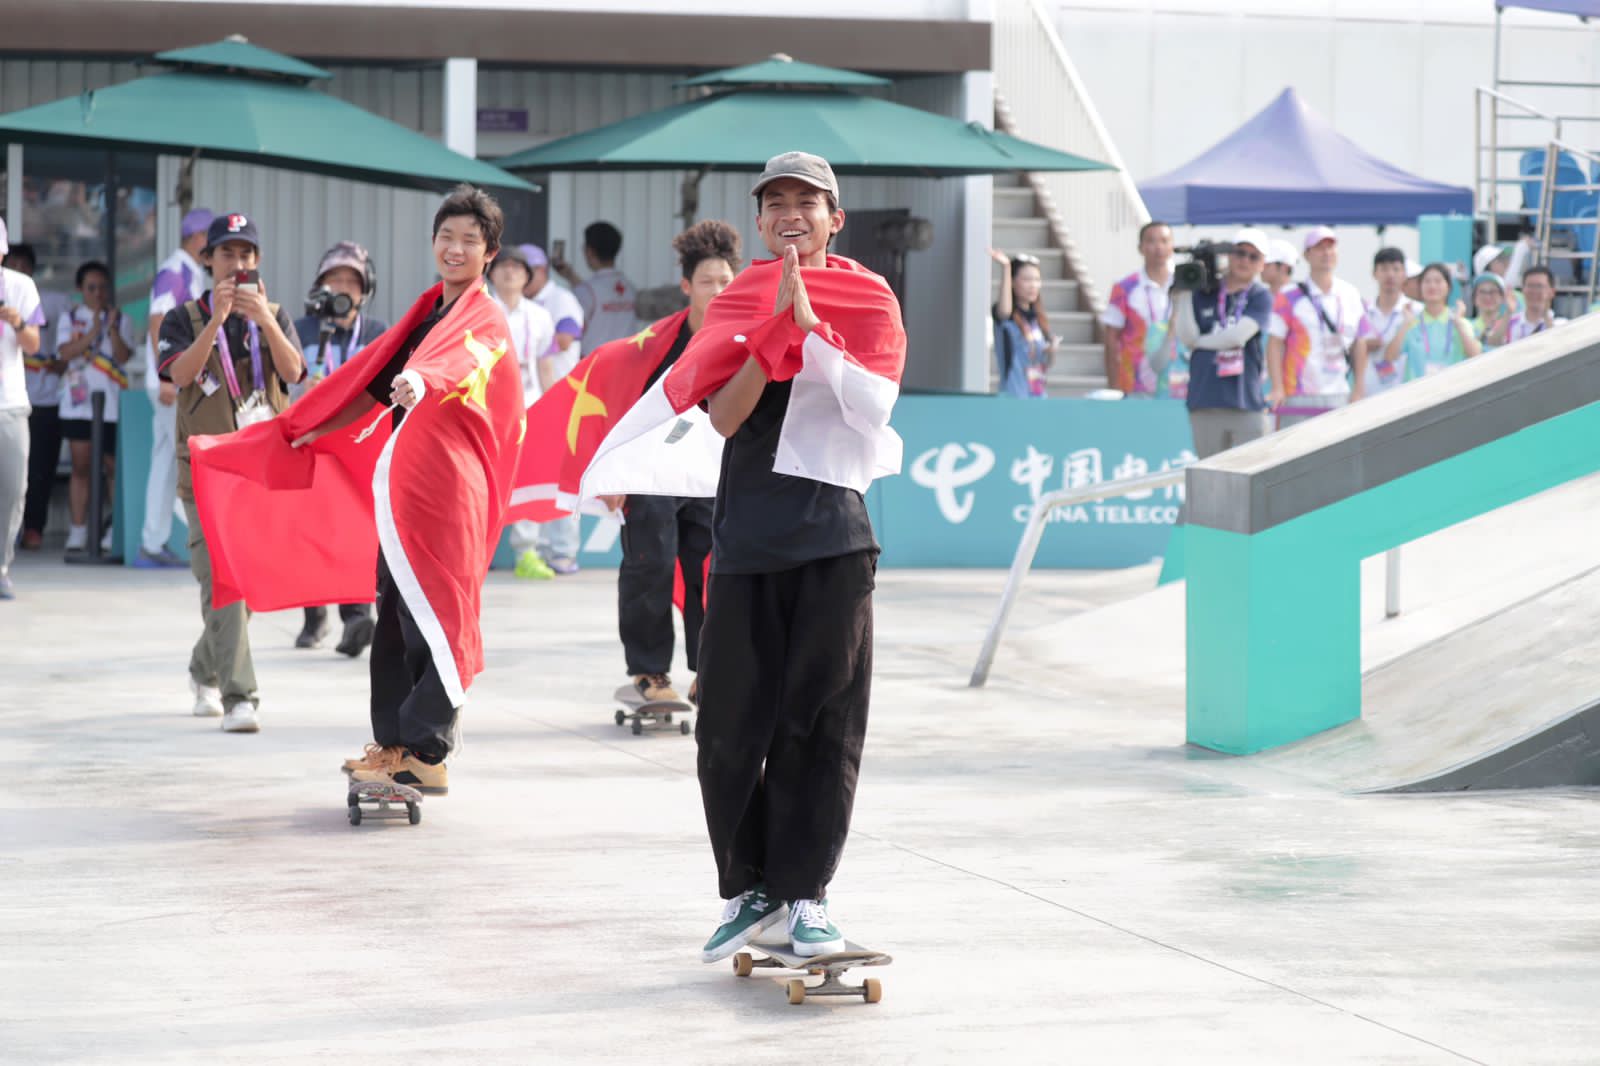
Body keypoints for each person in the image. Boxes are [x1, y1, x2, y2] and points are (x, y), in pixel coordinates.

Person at [692, 152, 905, 964]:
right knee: (725, 728)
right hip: (746, 539)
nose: (791, 214)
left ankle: (807, 894)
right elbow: (722, 418)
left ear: (834, 219)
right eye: (775, 202)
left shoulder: (869, 297)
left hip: (833, 541)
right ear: (758, 221)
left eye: (807, 203)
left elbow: (875, 409)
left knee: (821, 725)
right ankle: (750, 892)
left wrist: (813, 329)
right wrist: (770, 333)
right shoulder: (739, 299)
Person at [283, 185, 523, 796]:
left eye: (469, 240)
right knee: (394, 611)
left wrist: (422, 378)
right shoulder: (425, 317)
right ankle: (396, 745)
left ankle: (426, 749)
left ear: (489, 253)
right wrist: (306, 429)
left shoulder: (485, 317)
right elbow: (368, 388)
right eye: (447, 236)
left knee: (438, 613)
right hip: (406, 495)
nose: (455, 248)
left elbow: (460, 361)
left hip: (450, 491)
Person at [157, 212, 305, 732]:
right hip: (205, 472)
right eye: (226, 254)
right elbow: (179, 376)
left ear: (257, 261)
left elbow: (293, 372)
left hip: (262, 472)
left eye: (246, 254)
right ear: (208, 260)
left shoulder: (275, 315)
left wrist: (264, 321)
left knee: (250, 583)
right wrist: (216, 321)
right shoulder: (183, 318)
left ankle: (204, 669)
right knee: (222, 580)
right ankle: (241, 696)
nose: (236, 263)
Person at [606, 220, 739, 706]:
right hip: (653, 474)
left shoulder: (741, 340)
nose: (717, 290)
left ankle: (711, 670)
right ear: (687, 286)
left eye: (725, 280)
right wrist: (615, 472)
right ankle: (649, 672)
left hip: (711, 477)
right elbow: (622, 405)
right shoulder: (657, 345)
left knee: (715, 572)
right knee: (651, 565)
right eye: (707, 281)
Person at [291, 240, 389, 654]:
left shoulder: (378, 332)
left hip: (358, 446)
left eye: (352, 279)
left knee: (355, 531)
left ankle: (356, 619)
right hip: (311, 443)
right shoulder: (300, 329)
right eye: (335, 279)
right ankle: (314, 617)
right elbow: (282, 380)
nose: (343, 287)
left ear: (365, 288)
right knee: (310, 532)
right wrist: (303, 386)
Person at [137, 208, 212, 569]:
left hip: (175, 380)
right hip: (171, 383)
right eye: (211, 238)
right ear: (198, 238)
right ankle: (206, 540)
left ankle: (152, 543)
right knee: (189, 460)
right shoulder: (174, 272)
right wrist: (165, 376)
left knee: (167, 461)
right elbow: (157, 322)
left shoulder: (188, 272)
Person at [489, 245, 564, 581]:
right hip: (486, 406)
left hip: (529, 402)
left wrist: (552, 408)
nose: (510, 272)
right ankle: (480, 550)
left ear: (527, 277)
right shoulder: (481, 309)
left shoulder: (540, 316)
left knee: (527, 476)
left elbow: (545, 364)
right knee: (485, 478)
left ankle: (527, 553)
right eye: (503, 266)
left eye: (517, 267)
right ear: (491, 273)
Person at [55, 261, 135, 554]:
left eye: (102, 287)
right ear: (81, 289)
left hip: (111, 406)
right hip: (78, 406)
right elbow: (65, 353)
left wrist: (111, 328)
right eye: (91, 288)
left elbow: (123, 356)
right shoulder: (70, 317)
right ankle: (78, 530)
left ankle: (112, 529)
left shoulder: (122, 318)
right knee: (81, 466)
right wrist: (94, 332)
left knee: (112, 467)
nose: (98, 293)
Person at [1173, 228, 1274, 458]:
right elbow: (1186, 336)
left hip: (1245, 400)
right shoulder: (1204, 291)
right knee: (1209, 473)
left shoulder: (1259, 295)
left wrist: (1199, 343)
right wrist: (1185, 293)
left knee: (1253, 469)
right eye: (1240, 253)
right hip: (1205, 399)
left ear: (1262, 264)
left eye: (1253, 256)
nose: (1245, 260)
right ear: (1229, 255)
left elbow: (1237, 336)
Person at [1266, 226, 1374, 427]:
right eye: (1319, 248)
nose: (1326, 253)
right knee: (1297, 446)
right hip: (1297, 393)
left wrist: (1358, 389)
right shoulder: (1289, 296)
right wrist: (1278, 387)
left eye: (1330, 248)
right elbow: (1274, 343)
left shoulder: (1350, 294)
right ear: (1307, 255)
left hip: (1339, 393)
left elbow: (1359, 342)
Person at [520, 243, 585, 574]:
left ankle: (563, 552)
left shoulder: (561, 298)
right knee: (536, 477)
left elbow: (566, 337)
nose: (520, 277)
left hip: (563, 401)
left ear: (541, 271)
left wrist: (526, 339)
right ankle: (539, 551)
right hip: (532, 402)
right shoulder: (519, 305)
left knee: (563, 479)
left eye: (526, 272)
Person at [9, 242, 70, 552]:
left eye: (24, 265)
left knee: (40, 469)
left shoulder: (46, 300)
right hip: (8, 401)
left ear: (32, 269)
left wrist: (64, 361)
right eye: (12, 264)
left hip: (43, 400)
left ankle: (34, 528)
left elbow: (66, 338)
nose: (17, 271)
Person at [0, 218, 45, 600]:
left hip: (10, 403)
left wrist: (17, 322)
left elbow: (33, 345)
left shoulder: (20, 286)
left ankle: (1, 567)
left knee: (14, 489)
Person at [1101, 220, 1176, 396]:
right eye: (1152, 241)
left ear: (1172, 246)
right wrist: (1114, 385)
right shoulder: (1124, 288)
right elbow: (1111, 338)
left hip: (1177, 379)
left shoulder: (1185, 286)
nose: (1159, 247)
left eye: (1164, 241)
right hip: (1135, 381)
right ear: (1141, 248)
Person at [1384, 262, 1481, 382]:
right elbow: (1389, 357)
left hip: (1452, 389)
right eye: (1427, 281)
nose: (1432, 286)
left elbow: (1476, 355)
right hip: (1417, 391)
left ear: (1449, 287)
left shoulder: (1460, 322)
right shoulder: (1411, 322)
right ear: (1420, 287)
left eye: (1438, 281)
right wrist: (1405, 325)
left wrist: (1458, 323)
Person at [556, 221, 637, 352]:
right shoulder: (630, 288)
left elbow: (573, 330)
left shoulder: (586, 291)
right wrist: (570, 276)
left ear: (589, 251)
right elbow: (598, 295)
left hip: (596, 361)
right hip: (626, 358)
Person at [989, 249, 1053, 397]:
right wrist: (1006, 268)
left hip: (1038, 396)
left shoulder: (1038, 319)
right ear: (1012, 282)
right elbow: (1004, 311)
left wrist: (1052, 351)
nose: (1033, 285)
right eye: (1027, 280)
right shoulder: (1008, 317)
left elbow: (1045, 362)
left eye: (1037, 280)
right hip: (1014, 396)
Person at [1362, 247, 1421, 397]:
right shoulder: (1362, 311)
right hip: (1367, 394)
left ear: (1404, 274)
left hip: (1405, 393)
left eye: (1396, 269)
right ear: (1374, 273)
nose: (1390, 275)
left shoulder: (1417, 311)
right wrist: (1363, 346)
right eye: (1384, 269)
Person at [1505, 265, 1564, 342]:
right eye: (1530, 286)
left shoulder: (1561, 322)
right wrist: (1508, 312)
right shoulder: (1510, 322)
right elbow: (1494, 343)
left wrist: (1546, 316)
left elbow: (1560, 343)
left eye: (1539, 286)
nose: (1534, 291)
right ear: (1522, 290)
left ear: (1552, 292)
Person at [1469, 273, 1514, 351]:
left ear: (1502, 297)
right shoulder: (1467, 326)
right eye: (1482, 292)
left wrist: (1509, 312)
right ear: (1474, 298)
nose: (1487, 297)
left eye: (1493, 292)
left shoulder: (1512, 324)